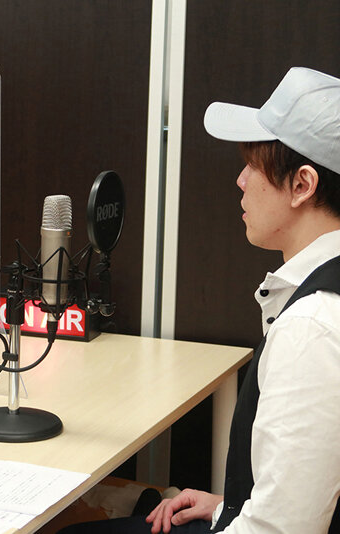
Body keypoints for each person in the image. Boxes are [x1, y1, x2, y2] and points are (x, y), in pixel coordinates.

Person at [59, 67, 340, 533]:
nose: (241, 180)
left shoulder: (312, 326)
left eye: (254, 166)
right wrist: (232, 506)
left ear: (302, 185)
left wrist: (244, 518)